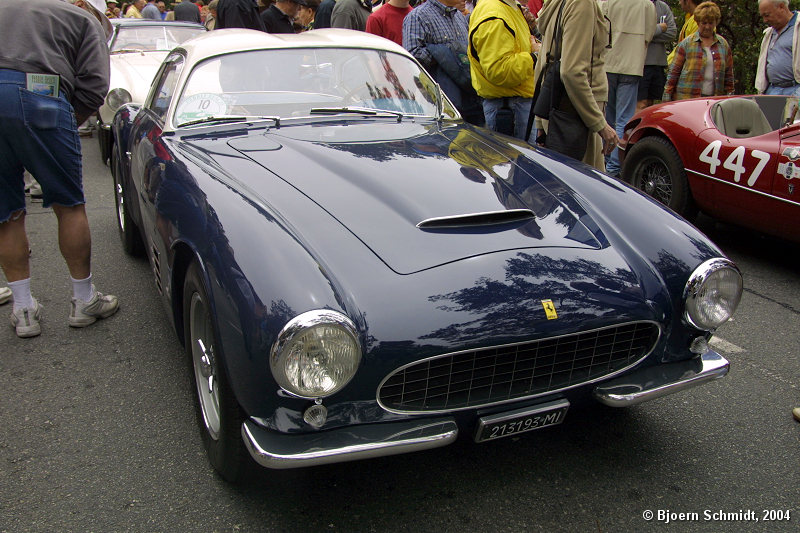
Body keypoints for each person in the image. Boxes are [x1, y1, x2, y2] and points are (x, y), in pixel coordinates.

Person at [0, 0, 119, 338]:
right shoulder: (83, 19)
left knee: (6, 211)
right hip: (41, 95)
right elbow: (95, 84)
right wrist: (69, 121)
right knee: (69, 204)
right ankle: (83, 300)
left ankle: (23, 308)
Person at [534, 0, 618, 170]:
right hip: (578, 114)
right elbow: (572, 71)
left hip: (561, 110)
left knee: (562, 183)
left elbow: (543, 62)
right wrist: (599, 124)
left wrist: (540, 120)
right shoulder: (581, 3)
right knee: (585, 187)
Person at [403, 0, 484, 125]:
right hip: (439, 110)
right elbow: (413, 57)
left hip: (470, 103)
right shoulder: (418, 16)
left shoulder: (459, 17)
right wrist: (445, 54)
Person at [468, 0, 539, 139]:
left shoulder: (507, 8)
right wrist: (535, 57)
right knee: (516, 160)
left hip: (516, 106)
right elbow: (499, 70)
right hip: (511, 109)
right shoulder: (494, 14)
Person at [601, 0, 655, 177]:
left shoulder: (608, 2)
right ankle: (614, 166)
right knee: (624, 119)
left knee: (607, 117)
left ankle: (606, 160)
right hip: (632, 65)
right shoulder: (646, 5)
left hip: (609, 63)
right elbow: (649, 35)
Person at [663, 1, 733, 101]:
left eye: (711, 23)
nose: (707, 27)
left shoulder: (723, 45)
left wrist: (729, 97)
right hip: (688, 99)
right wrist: (667, 98)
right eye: (704, 23)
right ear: (697, 22)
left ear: (716, 22)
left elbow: (729, 77)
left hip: (714, 100)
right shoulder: (686, 44)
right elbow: (673, 73)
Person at [637, 0, 677, 111]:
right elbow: (636, 32)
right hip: (641, 64)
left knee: (654, 105)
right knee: (641, 104)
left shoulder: (663, 7)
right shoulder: (637, 4)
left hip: (658, 64)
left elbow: (672, 32)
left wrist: (647, 35)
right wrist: (660, 28)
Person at [756, 0, 800, 95]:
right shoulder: (769, 33)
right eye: (762, 16)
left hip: (795, 89)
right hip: (772, 90)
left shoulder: (798, 26)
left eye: (767, 15)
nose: (765, 20)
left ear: (781, 7)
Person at [667, 0, 698, 65]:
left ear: (688, 1)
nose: (679, 3)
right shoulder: (690, 18)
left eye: (680, 0)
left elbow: (687, 48)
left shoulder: (697, 21)